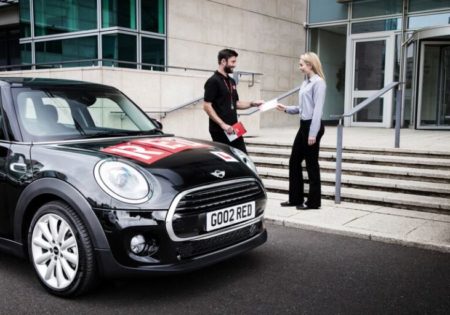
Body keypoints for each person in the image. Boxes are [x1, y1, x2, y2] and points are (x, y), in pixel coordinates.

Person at [276, 52, 326, 210]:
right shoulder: (305, 83)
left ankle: (313, 202)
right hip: (303, 125)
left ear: (310, 65)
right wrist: (286, 109)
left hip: (313, 126)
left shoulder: (319, 83)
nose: (300, 67)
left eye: (301, 64)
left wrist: (313, 133)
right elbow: (302, 108)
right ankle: (295, 199)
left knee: (311, 164)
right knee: (294, 161)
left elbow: (317, 111)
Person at [203, 49, 263, 153]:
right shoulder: (213, 81)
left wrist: (252, 103)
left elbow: (236, 103)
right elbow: (206, 106)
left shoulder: (231, 81)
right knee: (226, 160)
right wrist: (223, 125)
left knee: (242, 156)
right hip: (220, 129)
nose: (235, 65)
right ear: (223, 61)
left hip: (234, 127)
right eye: (233, 62)